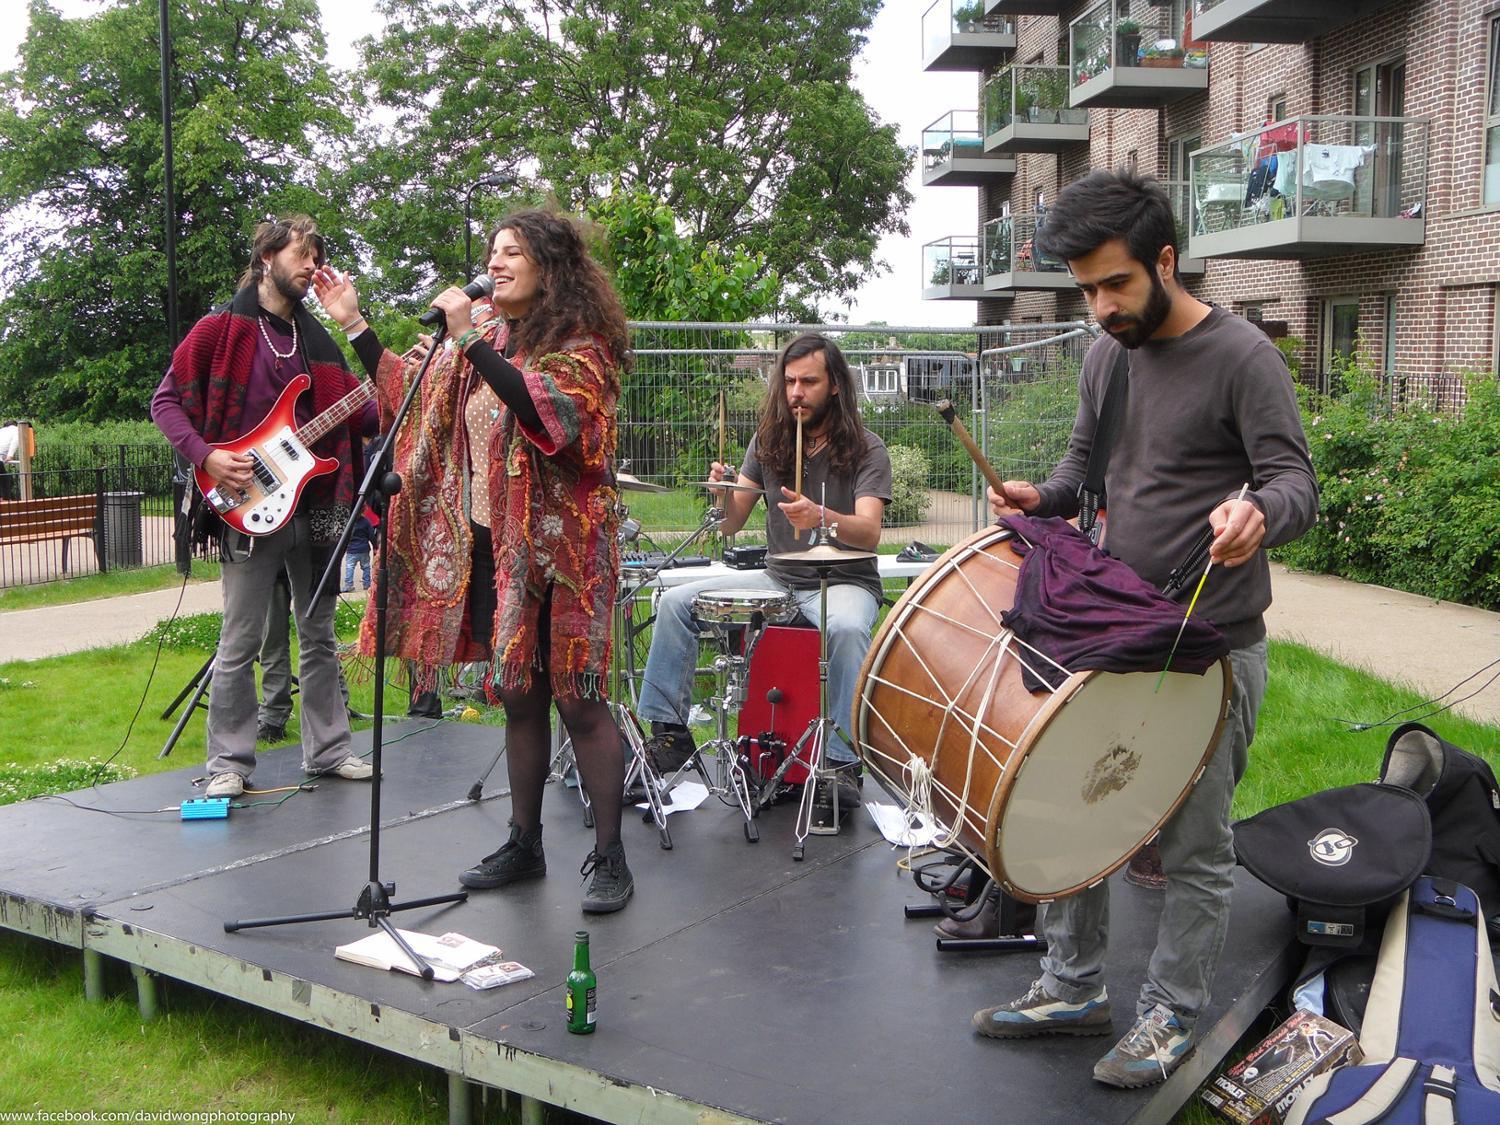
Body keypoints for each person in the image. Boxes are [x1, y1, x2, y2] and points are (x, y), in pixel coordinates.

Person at [968, 171, 1318, 1088]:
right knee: (1070, 804)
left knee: (1195, 845)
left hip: (1211, 646)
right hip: (1116, 632)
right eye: (1086, 290)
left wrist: (1257, 512)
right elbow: (1083, 471)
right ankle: (1071, 985)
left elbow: (1296, 483)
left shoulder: (1243, 356)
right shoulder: (1107, 356)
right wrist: (1041, 497)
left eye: (1115, 284)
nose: (1101, 307)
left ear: (1165, 260)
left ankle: (1172, 1012)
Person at [312, 208, 636, 913]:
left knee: (577, 700)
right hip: (501, 546)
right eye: (493, 252)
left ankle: (610, 855)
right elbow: (411, 396)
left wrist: (466, 339)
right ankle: (525, 842)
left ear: (550, 265)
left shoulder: (584, 344)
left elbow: (549, 416)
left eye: (512, 252)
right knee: (518, 693)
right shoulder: (484, 334)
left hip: (569, 551)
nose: (495, 263)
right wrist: (356, 324)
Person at [151, 214, 377, 799]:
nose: (312, 267)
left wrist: (391, 362)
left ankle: (330, 750)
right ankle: (229, 763)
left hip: (317, 504)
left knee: (319, 633)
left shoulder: (318, 340)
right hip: (244, 503)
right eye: (302, 254)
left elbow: (369, 415)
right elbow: (166, 402)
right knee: (241, 639)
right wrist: (206, 456)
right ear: (267, 257)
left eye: (316, 256)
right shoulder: (219, 330)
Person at [635, 333, 892, 816]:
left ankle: (842, 764)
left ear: (835, 384)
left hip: (845, 580)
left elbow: (870, 532)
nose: (796, 392)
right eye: (790, 381)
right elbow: (731, 524)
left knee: (845, 628)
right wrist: (722, 493)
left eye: (809, 382)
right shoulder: (768, 440)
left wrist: (821, 517)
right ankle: (670, 735)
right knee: (675, 603)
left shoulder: (867, 448)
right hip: (778, 579)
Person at [341, 506, 375, 591]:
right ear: (363, 510)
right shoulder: (366, 522)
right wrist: (375, 546)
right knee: (366, 567)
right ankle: (367, 584)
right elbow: (371, 535)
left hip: (352, 549)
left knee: (350, 567)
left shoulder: (349, 522)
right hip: (364, 549)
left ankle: (349, 585)